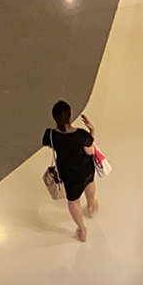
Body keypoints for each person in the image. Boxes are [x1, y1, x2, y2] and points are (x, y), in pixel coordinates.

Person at [43, 100, 98, 242]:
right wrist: (91, 130)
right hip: (85, 169)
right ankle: (91, 206)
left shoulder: (51, 135)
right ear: (70, 116)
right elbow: (90, 151)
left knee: (73, 202)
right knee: (89, 184)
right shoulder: (81, 135)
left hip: (68, 175)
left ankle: (82, 229)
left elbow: (50, 145)